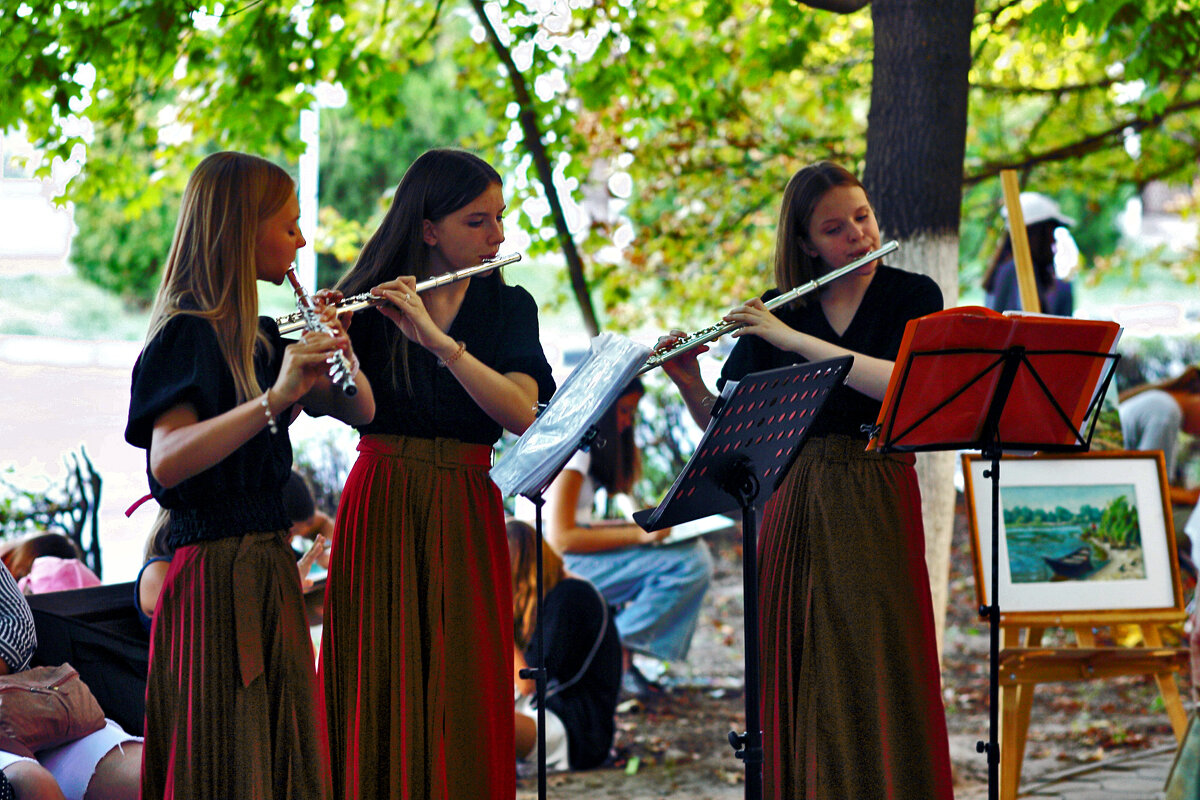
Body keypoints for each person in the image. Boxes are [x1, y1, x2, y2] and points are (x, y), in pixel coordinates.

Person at [657, 161, 953, 798]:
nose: (858, 236)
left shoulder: (912, 296)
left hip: (875, 493)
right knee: (804, 666)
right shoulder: (779, 315)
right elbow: (732, 433)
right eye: (835, 228)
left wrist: (793, 339)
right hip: (794, 504)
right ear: (806, 244)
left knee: (878, 662)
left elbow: (903, 383)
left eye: (862, 217)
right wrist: (689, 383)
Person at [124, 150, 375, 800]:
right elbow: (168, 461)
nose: (301, 239)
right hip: (211, 583)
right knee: (225, 766)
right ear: (240, 227)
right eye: (288, 224)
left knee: (285, 757)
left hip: (266, 572)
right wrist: (274, 397)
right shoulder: (185, 338)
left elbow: (361, 410)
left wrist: (342, 352)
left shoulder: (262, 339)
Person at [319, 148, 556, 800]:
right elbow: (339, 409)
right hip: (383, 495)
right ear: (428, 228)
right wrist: (334, 351)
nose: (498, 236)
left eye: (500, 219)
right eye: (478, 222)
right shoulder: (372, 301)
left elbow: (521, 413)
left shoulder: (509, 309)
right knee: (380, 674)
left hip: (463, 498)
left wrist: (437, 342)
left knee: (461, 680)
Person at [542, 378, 713, 695]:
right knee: (690, 561)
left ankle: (617, 655)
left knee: (689, 551)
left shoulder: (583, 449)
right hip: (554, 566)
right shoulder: (575, 452)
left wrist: (643, 526)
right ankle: (611, 654)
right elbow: (561, 537)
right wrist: (640, 536)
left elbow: (578, 524)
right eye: (623, 411)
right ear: (602, 409)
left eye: (632, 414)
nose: (626, 422)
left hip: (565, 559)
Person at [0, 562, 144, 800]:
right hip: (19, 735)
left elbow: (18, 626)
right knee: (34, 785)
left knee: (147, 775)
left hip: (26, 710)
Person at [508, 519, 621, 773]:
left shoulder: (570, 596)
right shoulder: (549, 596)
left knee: (478, 721)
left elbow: (528, 682)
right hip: (542, 710)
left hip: (576, 728)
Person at [982, 191, 1075, 316]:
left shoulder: (1011, 270)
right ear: (1034, 235)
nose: (1053, 241)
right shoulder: (1015, 271)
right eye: (1049, 234)